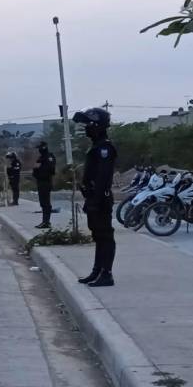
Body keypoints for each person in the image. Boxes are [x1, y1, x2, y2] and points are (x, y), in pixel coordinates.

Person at [74, 108, 117, 287]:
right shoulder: (96, 146)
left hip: (100, 200)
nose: (86, 129)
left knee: (105, 236)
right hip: (93, 198)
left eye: (89, 124)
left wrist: (95, 200)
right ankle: (97, 270)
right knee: (98, 235)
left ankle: (106, 274)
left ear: (98, 125)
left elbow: (103, 178)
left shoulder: (105, 148)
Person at [32, 141, 57, 228]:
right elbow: (35, 171)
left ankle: (46, 222)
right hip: (40, 182)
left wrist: (39, 169)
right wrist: (37, 170)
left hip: (46, 182)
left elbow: (50, 170)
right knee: (43, 202)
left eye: (39, 148)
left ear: (43, 147)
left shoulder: (49, 157)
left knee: (46, 203)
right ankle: (44, 221)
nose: (38, 150)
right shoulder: (40, 158)